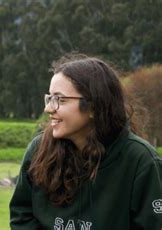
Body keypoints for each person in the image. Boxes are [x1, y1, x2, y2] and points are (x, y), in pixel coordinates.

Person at [9, 54, 162, 229]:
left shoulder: (141, 161)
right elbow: (22, 215)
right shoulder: (38, 151)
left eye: (60, 99)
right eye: (49, 98)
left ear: (93, 107)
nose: (48, 108)